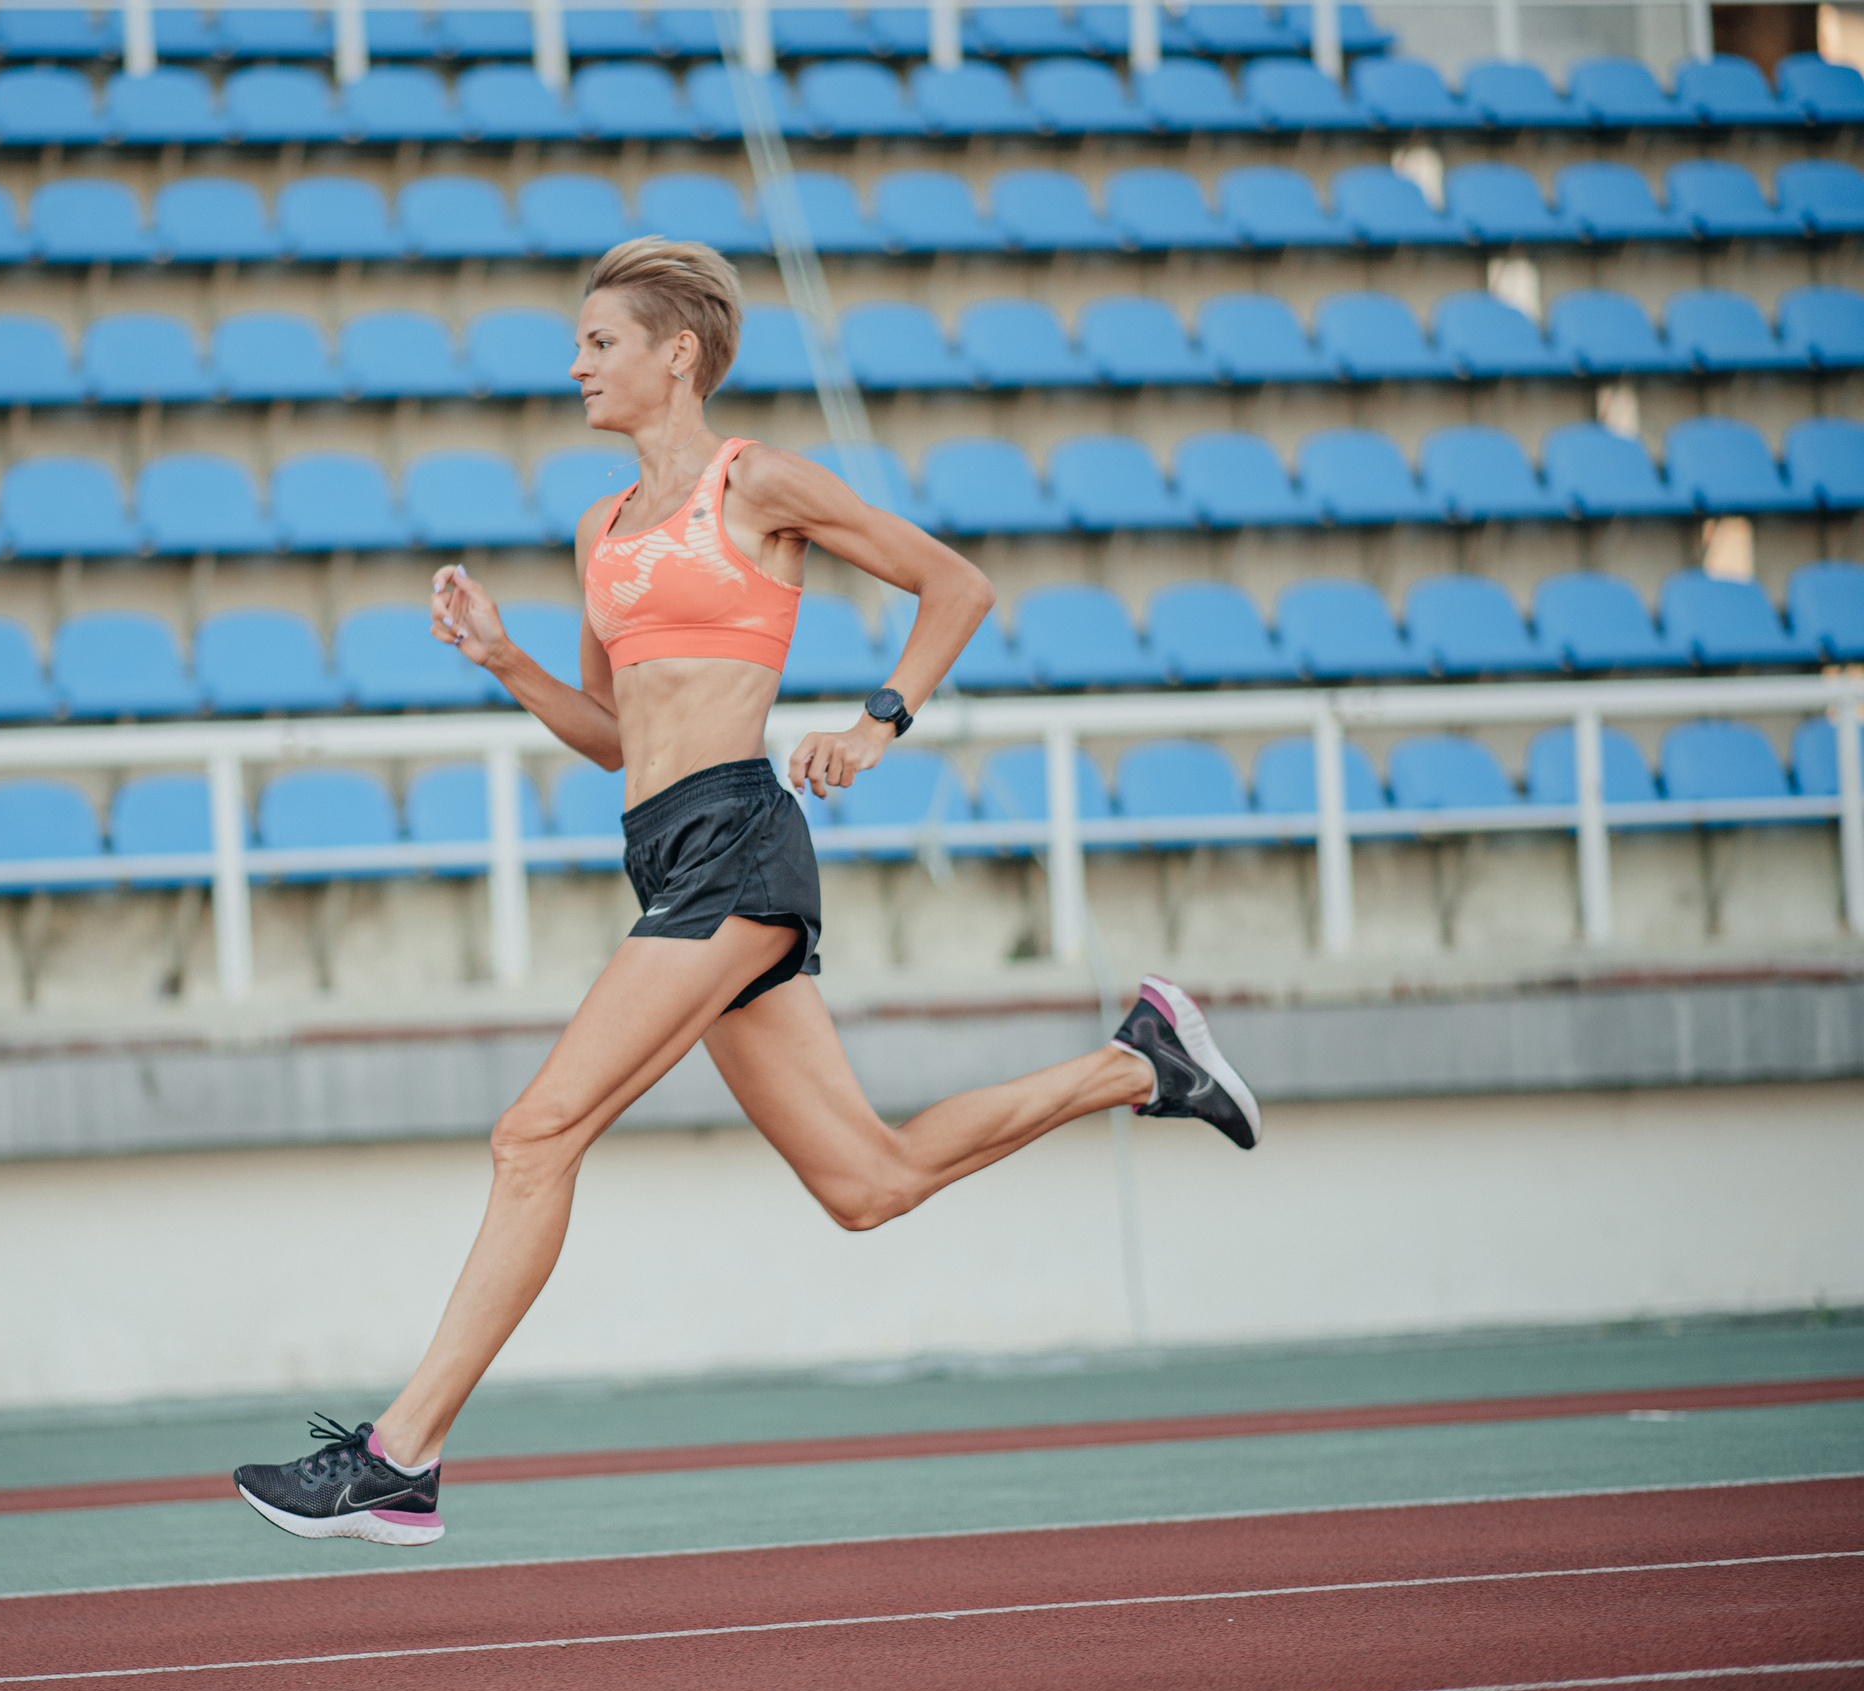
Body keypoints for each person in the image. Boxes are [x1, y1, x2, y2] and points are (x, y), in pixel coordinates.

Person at [232, 237, 1260, 1546]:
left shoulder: (755, 480)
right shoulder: (597, 529)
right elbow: (613, 733)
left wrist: (881, 720)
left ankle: (400, 1454)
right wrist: (504, 659)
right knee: (866, 1182)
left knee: (533, 1136)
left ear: (681, 354)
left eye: (600, 342)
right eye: (579, 343)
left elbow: (958, 585)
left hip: (737, 848)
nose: (576, 365)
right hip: (665, 853)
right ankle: (1140, 1061)